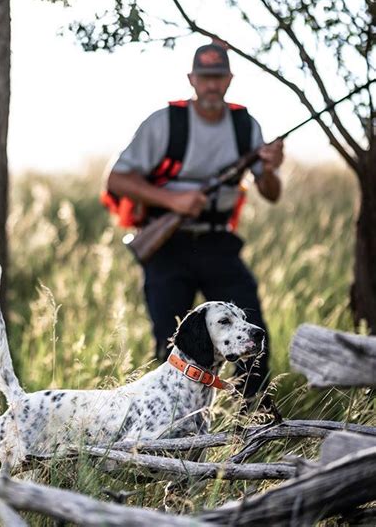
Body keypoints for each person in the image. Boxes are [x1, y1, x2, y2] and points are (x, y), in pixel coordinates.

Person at [105, 42, 284, 402]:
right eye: (205, 78)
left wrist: (271, 167)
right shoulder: (165, 123)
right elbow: (117, 180)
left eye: (218, 78)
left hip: (219, 244)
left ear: (229, 79)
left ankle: (252, 426)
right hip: (167, 246)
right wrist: (174, 200)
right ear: (192, 79)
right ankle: (164, 435)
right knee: (170, 342)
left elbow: (271, 191)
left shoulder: (244, 124)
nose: (212, 86)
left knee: (254, 335)